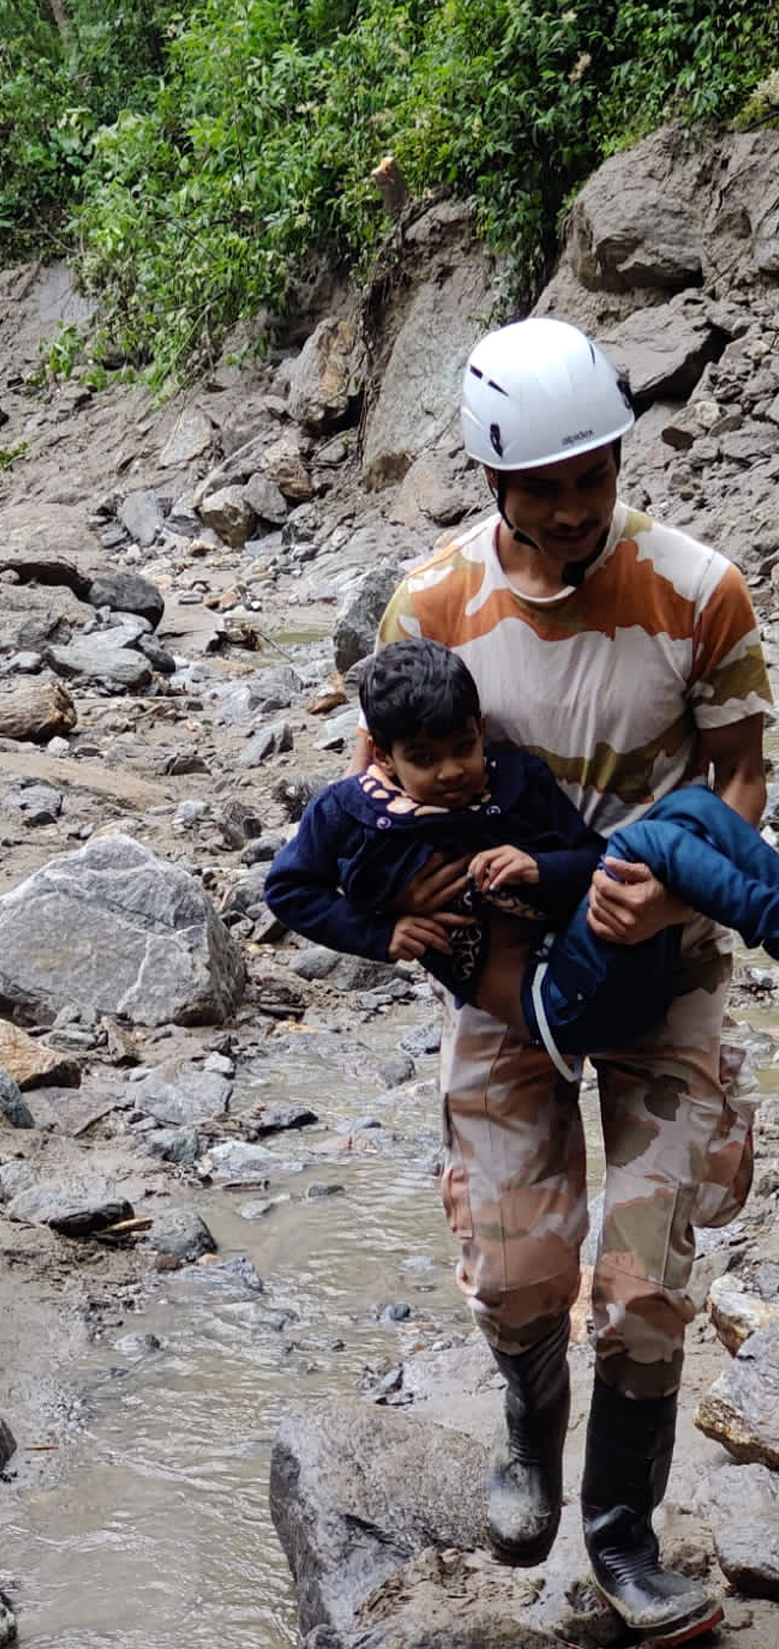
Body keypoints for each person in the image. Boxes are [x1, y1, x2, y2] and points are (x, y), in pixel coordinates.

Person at [347, 316, 771, 1645]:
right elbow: (386, 769)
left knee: (645, 1277)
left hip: (667, 963)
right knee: (518, 1269)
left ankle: (624, 1536)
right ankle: (528, 1436)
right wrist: (397, 886)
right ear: (491, 482)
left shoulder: (700, 592)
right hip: (505, 971)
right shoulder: (433, 605)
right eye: (547, 488)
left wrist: (685, 875)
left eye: (597, 474)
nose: (578, 508)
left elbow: (740, 774)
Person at [267, 638, 779, 1071]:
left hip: (611, 964)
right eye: (423, 759)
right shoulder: (350, 812)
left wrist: (539, 867)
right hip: (556, 1002)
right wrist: (381, 935)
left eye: (462, 748)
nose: (448, 772)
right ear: (383, 756)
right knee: (642, 843)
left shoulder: (513, 777)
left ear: (480, 730)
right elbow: (288, 887)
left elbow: (588, 856)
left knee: (690, 804)